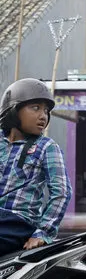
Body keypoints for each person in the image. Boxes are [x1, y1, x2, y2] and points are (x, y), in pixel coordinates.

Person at [0, 78, 72, 254]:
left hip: (18, 222)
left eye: (46, 111)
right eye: (35, 108)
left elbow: (61, 192)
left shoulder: (47, 147)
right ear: (13, 111)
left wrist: (43, 232)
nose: (43, 116)